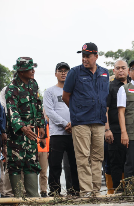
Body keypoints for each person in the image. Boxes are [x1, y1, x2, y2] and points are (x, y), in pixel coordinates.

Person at [62, 43, 109, 196]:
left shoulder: (104, 73)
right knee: (83, 157)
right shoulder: (74, 72)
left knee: (97, 158)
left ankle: (96, 191)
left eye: (88, 55)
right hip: (81, 121)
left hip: (99, 121)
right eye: (83, 55)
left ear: (96, 56)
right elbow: (65, 96)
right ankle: (86, 192)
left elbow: (105, 97)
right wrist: (77, 112)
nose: (84, 58)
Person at [5, 57, 46, 197]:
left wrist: (41, 125)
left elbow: (38, 105)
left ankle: (33, 198)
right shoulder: (12, 88)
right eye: (30, 69)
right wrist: (23, 128)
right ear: (21, 71)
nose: (33, 71)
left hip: (31, 134)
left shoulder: (33, 84)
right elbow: (12, 112)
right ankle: (18, 199)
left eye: (33, 68)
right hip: (17, 135)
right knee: (15, 165)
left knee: (32, 163)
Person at [44, 62, 80, 196]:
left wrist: (73, 123)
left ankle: (75, 190)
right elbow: (50, 112)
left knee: (74, 164)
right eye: (60, 70)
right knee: (55, 164)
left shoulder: (75, 90)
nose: (63, 73)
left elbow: (79, 108)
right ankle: (54, 191)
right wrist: (66, 124)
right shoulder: (50, 91)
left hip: (74, 132)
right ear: (55, 74)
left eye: (66, 70)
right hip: (57, 134)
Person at [105, 60, 129, 192]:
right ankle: (117, 191)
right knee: (115, 162)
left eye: (123, 68)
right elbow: (105, 110)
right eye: (118, 68)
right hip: (114, 130)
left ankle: (131, 190)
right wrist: (107, 129)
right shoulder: (110, 86)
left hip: (132, 129)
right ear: (113, 71)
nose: (121, 70)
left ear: (128, 70)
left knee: (131, 161)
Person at [37, 112, 50, 197]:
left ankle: (44, 191)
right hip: (33, 149)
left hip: (44, 150)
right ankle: (31, 190)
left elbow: (48, 137)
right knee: (31, 172)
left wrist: (48, 151)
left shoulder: (46, 124)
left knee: (44, 172)